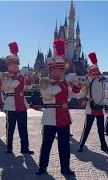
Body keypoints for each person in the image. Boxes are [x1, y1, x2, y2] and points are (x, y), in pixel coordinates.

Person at [36, 39, 80, 176]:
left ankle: (65, 168)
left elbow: (71, 94)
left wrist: (76, 86)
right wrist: (65, 82)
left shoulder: (63, 82)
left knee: (64, 145)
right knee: (47, 144)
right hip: (50, 116)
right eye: (60, 69)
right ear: (52, 69)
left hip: (64, 116)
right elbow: (50, 92)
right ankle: (42, 167)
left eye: (62, 69)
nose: (62, 71)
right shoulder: (45, 81)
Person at [2, 42, 34, 154]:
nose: (16, 66)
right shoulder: (5, 75)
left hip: (21, 103)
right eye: (14, 64)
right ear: (9, 65)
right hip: (11, 104)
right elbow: (12, 85)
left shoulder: (19, 75)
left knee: (23, 128)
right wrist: (21, 76)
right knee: (10, 128)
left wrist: (28, 79)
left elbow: (29, 87)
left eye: (17, 64)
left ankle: (25, 148)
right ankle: (9, 147)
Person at [77, 52, 108, 152]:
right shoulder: (86, 84)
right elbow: (80, 96)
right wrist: (83, 101)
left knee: (101, 129)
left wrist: (107, 106)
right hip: (90, 108)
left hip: (100, 108)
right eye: (95, 74)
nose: (97, 76)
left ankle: (103, 145)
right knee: (87, 128)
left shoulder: (102, 83)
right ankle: (81, 144)